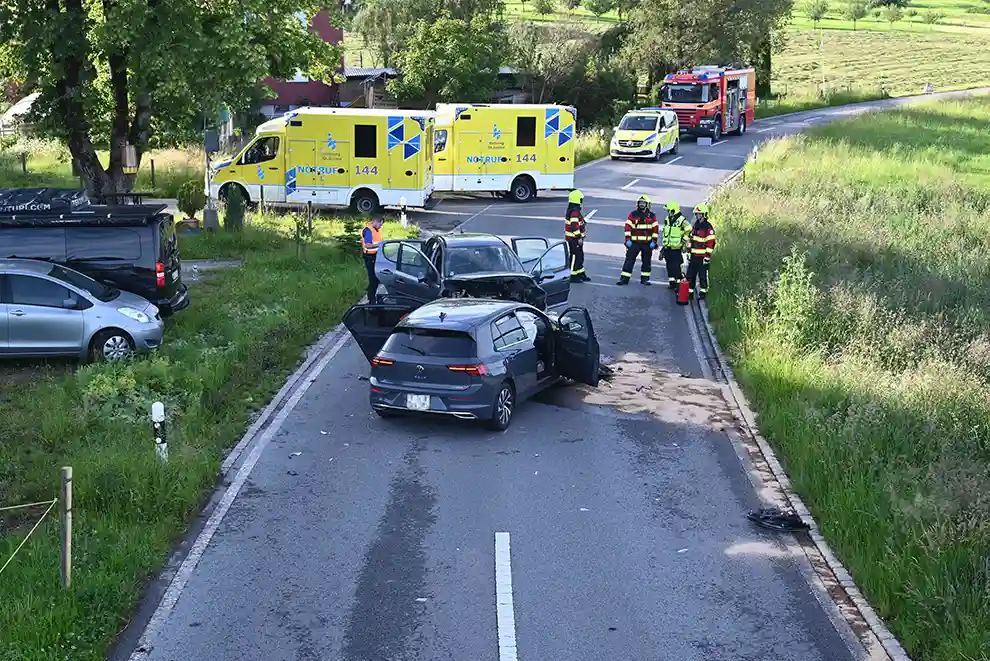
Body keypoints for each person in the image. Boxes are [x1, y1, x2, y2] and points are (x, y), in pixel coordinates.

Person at [617, 194, 659, 286]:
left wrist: (654, 241)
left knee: (646, 262)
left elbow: (655, 229)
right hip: (634, 243)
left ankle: (645, 279)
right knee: (629, 261)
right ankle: (624, 279)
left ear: (648, 204)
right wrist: (627, 240)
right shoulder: (633, 214)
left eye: (644, 203)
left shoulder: (652, 216)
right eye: (640, 203)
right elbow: (627, 227)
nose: (642, 204)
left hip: (647, 244)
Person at [685, 203, 716, 299]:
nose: (698, 216)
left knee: (702, 276)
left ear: (704, 214)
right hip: (694, 256)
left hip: (702, 257)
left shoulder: (708, 227)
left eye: (699, 214)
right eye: (697, 214)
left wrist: (707, 257)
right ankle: (690, 293)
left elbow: (711, 243)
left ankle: (703, 293)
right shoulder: (695, 225)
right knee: (690, 275)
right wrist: (689, 252)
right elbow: (691, 240)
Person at [660, 200, 691, 289]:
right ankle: (672, 282)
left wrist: (683, 242)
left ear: (673, 210)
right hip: (668, 248)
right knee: (669, 266)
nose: (667, 212)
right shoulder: (667, 219)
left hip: (676, 248)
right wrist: (663, 248)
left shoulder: (681, 220)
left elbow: (688, 229)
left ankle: (678, 284)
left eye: (668, 210)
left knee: (676, 267)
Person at [565, 189, 590, 282]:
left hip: (575, 239)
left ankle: (580, 273)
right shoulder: (574, 212)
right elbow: (574, 227)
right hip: (574, 239)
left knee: (580, 256)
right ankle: (573, 276)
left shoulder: (574, 211)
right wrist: (579, 237)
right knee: (575, 257)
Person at [361, 215, 385, 302]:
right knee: (373, 279)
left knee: (376, 278)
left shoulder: (376, 230)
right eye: (380, 224)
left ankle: (371, 294)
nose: (380, 226)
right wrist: (380, 244)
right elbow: (368, 245)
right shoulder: (368, 231)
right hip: (370, 258)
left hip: (375, 256)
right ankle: (371, 299)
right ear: (376, 222)